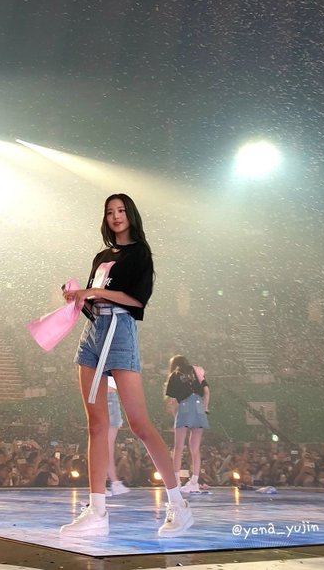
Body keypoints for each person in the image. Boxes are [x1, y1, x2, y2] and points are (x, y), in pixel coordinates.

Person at [60, 193, 194, 537]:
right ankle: (97, 511)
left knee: (139, 424)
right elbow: (93, 301)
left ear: (130, 215)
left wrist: (94, 293)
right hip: (93, 333)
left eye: (121, 210)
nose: (116, 216)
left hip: (120, 331)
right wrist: (79, 297)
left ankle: (179, 506)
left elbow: (137, 300)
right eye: (110, 212)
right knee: (96, 425)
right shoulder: (101, 257)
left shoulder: (140, 254)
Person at [164, 355, 210, 493]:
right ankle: (194, 482)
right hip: (199, 407)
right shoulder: (195, 371)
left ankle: (176, 482)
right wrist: (205, 407)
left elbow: (172, 400)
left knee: (178, 447)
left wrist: (175, 416)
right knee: (195, 449)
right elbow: (206, 391)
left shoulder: (175, 374)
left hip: (185, 406)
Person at [106, 376, 129, 496]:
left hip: (100, 395)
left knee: (103, 445)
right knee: (107, 445)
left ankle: (102, 484)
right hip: (108, 396)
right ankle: (114, 482)